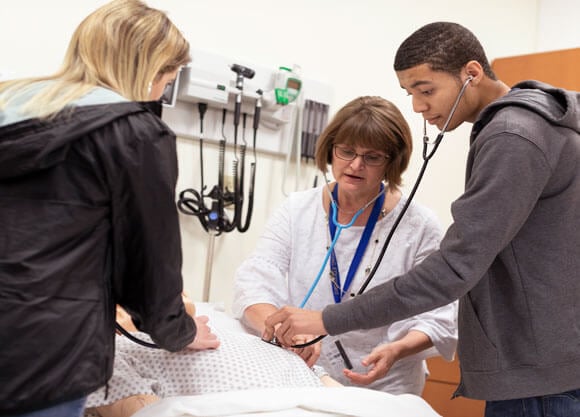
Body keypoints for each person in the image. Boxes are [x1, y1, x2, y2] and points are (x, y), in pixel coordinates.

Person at [263, 22, 580, 417]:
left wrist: (326, 319)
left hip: (540, 375)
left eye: (426, 90)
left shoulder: (513, 136)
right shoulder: (537, 126)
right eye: (410, 93)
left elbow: (453, 268)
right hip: (547, 364)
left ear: (472, 73)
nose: (418, 106)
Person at [0, 1, 220, 416]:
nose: (160, 93)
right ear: (150, 70)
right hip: (41, 358)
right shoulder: (133, 133)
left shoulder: (10, 102)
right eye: (166, 80)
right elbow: (150, 266)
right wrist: (178, 331)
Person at [233, 96, 457, 396]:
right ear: (331, 148)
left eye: (372, 157)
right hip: (307, 373)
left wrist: (397, 350)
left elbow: (440, 314)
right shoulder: (297, 210)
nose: (355, 164)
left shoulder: (418, 225)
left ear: (392, 162)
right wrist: (287, 334)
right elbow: (254, 284)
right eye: (346, 151)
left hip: (386, 384)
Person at [85, 295, 341, 417]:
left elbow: (328, 384)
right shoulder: (109, 352)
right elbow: (140, 410)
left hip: (323, 403)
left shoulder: (234, 329)